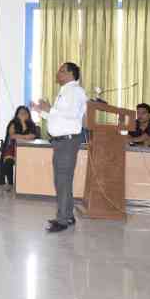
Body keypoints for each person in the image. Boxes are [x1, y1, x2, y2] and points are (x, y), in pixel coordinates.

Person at [31, 62, 88, 233]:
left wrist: (50, 109)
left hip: (68, 141)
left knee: (62, 180)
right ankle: (68, 215)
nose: (58, 73)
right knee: (62, 180)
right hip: (61, 142)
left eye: (62, 70)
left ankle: (62, 220)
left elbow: (71, 114)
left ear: (71, 74)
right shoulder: (65, 91)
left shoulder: (76, 91)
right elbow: (58, 117)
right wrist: (40, 110)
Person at [0, 106, 41, 190]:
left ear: (28, 115)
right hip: (11, 147)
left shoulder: (32, 124)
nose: (23, 114)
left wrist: (20, 134)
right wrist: (25, 136)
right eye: (20, 113)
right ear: (17, 114)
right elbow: (12, 136)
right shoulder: (13, 123)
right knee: (8, 161)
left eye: (25, 112)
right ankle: (10, 184)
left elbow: (32, 136)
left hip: (27, 149)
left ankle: (28, 184)